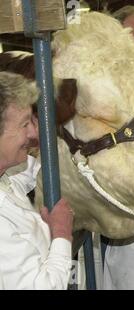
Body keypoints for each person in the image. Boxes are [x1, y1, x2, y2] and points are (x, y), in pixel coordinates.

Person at [0, 71, 74, 289]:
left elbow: (26, 175)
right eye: (25, 124)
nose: (33, 133)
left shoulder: (7, 178)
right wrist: (61, 234)